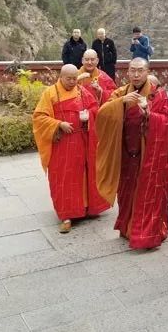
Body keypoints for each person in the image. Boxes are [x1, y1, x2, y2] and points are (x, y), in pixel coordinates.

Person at [96, 58, 168, 249]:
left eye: (140, 71)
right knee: (127, 193)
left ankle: (149, 232)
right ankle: (128, 227)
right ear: (128, 72)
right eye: (132, 70)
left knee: (151, 193)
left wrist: (149, 114)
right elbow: (102, 115)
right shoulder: (121, 93)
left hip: (150, 155)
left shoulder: (158, 95)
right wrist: (121, 103)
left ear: (147, 72)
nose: (136, 75)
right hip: (127, 153)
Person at [32, 64, 110, 233]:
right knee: (64, 179)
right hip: (62, 145)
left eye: (75, 78)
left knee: (84, 175)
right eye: (69, 79)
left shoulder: (81, 90)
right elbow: (39, 117)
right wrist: (58, 124)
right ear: (61, 77)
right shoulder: (50, 93)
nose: (72, 82)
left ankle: (85, 208)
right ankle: (66, 215)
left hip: (82, 141)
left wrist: (88, 115)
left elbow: (94, 107)